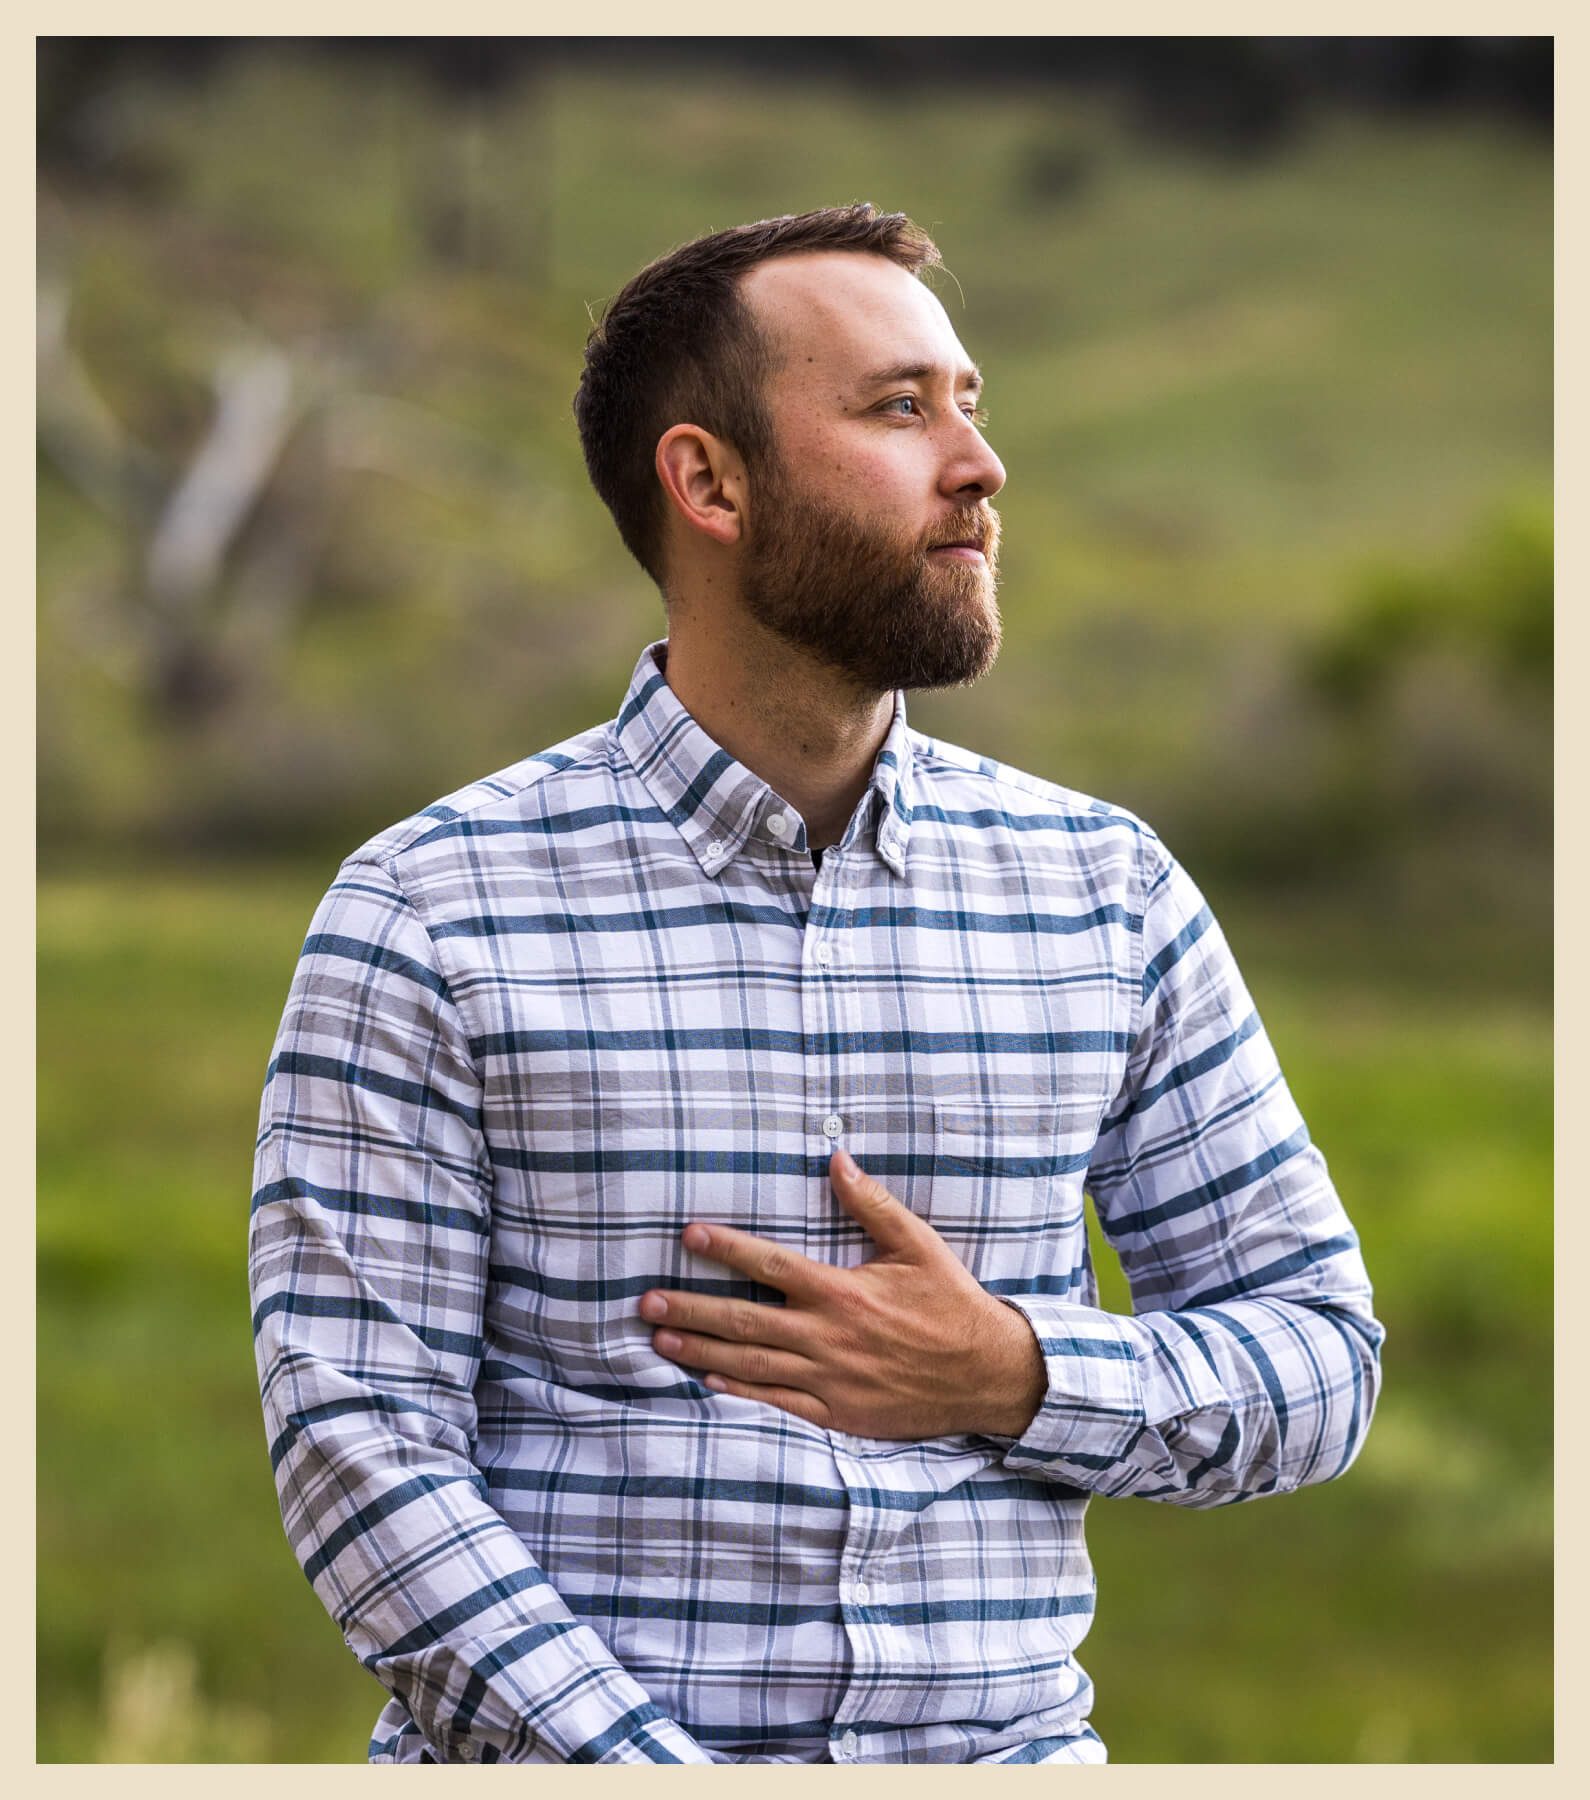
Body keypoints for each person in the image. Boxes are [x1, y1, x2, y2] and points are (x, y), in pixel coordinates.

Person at [248, 204, 1383, 1765]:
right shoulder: (430, 916)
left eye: (968, 405)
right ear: (708, 480)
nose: (977, 467)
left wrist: (1014, 1369)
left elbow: (1320, 1354)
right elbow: (359, 1448)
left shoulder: (1103, 893)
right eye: (897, 409)